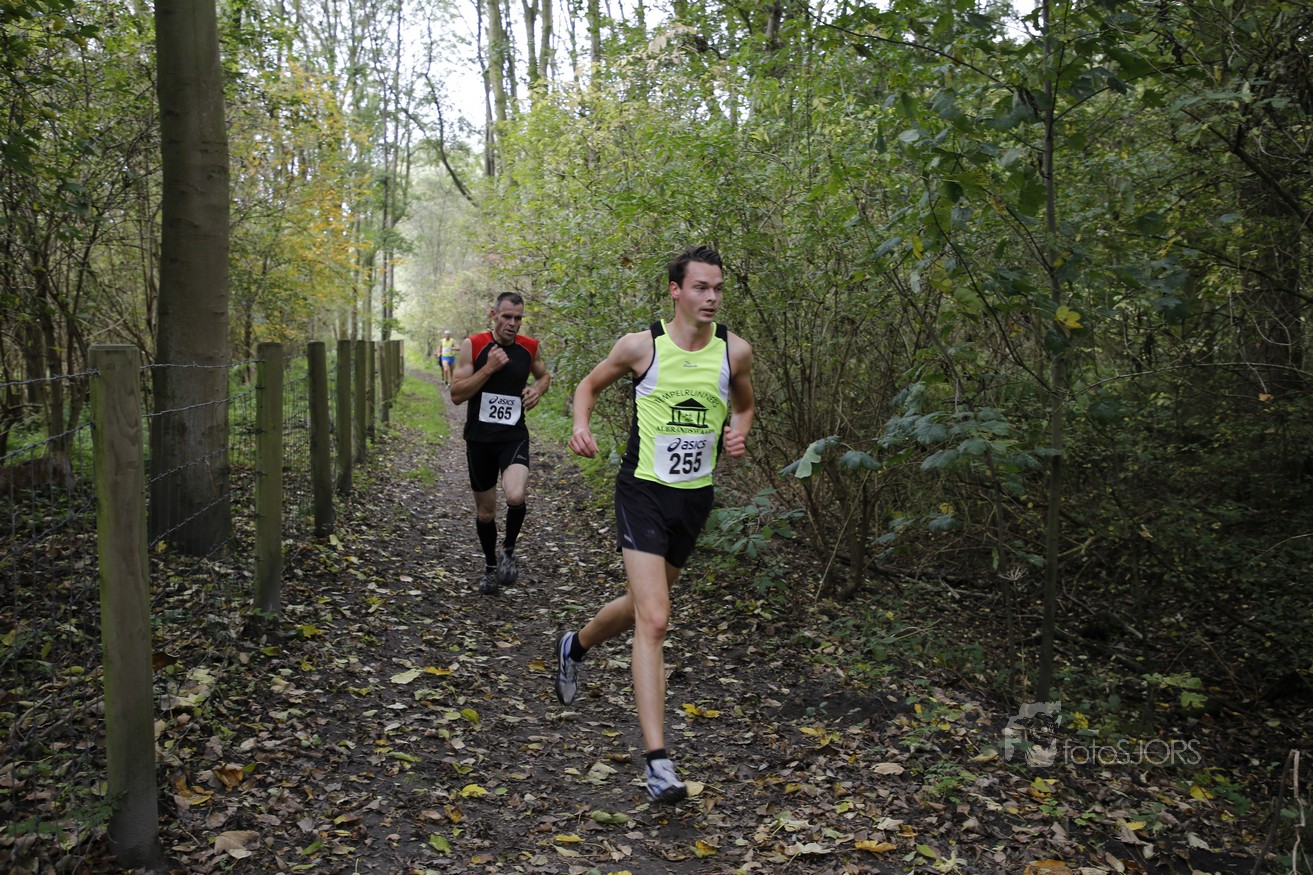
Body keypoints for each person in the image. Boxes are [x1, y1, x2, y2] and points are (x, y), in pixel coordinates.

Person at [555, 246, 755, 804]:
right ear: (676, 290)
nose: (711, 297)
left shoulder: (734, 351)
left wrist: (739, 431)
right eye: (701, 287)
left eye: (718, 288)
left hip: (694, 499)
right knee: (657, 618)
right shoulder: (641, 346)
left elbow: (744, 405)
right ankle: (658, 762)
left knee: (643, 605)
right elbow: (588, 386)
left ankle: (575, 644)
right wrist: (580, 425)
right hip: (642, 490)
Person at [450, 293, 550, 595]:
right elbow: (456, 394)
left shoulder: (529, 347)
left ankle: (508, 551)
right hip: (479, 440)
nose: (512, 323)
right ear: (493, 315)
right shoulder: (474, 345)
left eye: (518, 318)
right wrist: (489, 368)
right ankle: (491, 567)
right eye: (506, 316)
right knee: (486, 513)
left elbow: (544, 376)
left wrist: (538, 389)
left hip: (513, 436)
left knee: (516, 495)